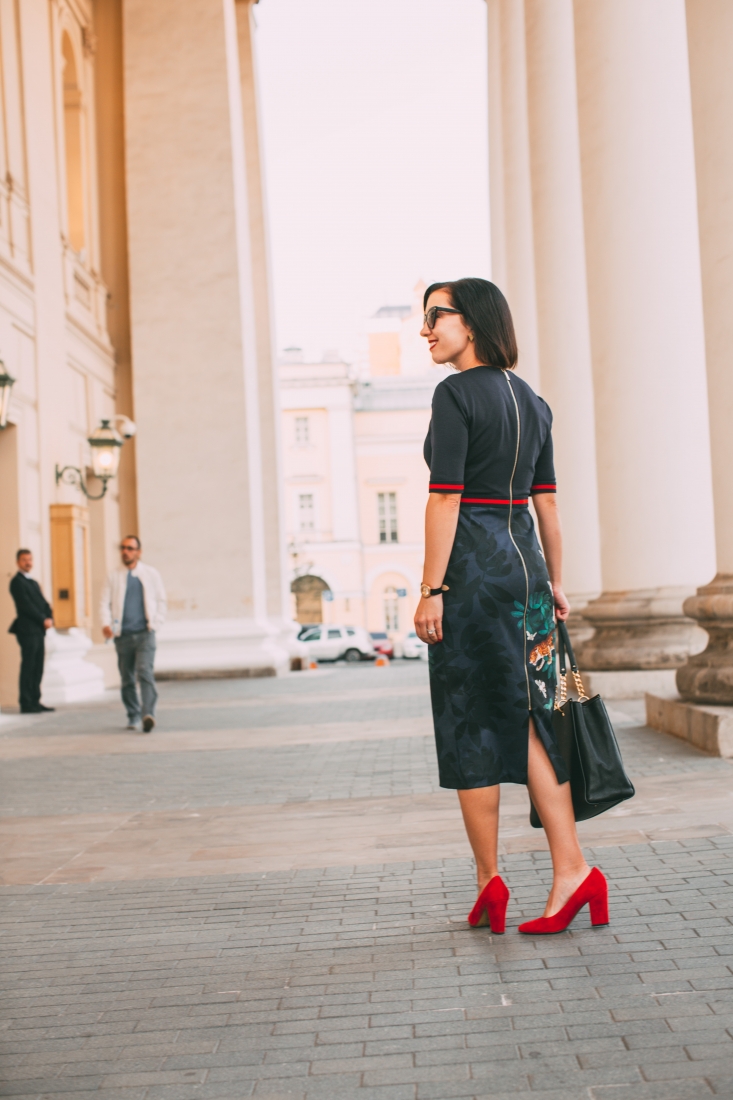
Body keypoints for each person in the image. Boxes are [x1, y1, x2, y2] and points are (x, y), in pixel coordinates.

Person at [415, 278, 608, 936]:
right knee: (534, 719)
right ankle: (570, 869)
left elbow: (444, 498)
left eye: (435, 316)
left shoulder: (453, 396)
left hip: (471, 575)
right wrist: (555, 581)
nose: (426, 330)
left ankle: (490, 880)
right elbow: (546, 505)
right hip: (524, 577)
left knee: (471, 720)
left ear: (472, 320)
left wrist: (429, 590)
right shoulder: (534, 402)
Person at [101, 536, 166, 732]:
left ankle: (148, 714)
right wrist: (106, 624)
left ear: (139, 551)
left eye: (130, 548)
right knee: (127, 678)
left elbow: (161, 600)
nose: (125, 551)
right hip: (123, 636)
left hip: (145, 633)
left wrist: (156, 623)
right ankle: (133, 715)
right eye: (123, 548)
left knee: (145, 672)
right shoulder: (114, 576)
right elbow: (104, 603)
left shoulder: (150, 574)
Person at [8, 549, 55, 714]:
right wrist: (43, 619)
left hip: (39, 630)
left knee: (38, 666)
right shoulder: (16, 582)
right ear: (17, 562)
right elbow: (26, 605)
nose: (28, 562)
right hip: (27, 630)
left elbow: (43, 603)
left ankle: (35, 699)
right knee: (29, 666)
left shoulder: (33, 582)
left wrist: (50, 617)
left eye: (30, 559)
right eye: (24, 560)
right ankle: (26, 703)